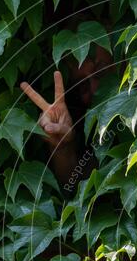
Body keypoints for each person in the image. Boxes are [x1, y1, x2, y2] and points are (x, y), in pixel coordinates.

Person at [19, 45, 113, 189]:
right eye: (83, 86)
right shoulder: (91, 130)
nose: (94, 90)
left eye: (100, 73)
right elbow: (76, 187)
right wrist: (62, 148)